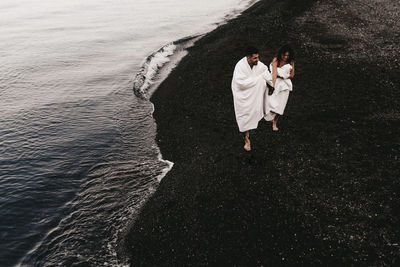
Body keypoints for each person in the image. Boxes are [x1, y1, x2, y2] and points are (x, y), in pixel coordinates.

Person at [231, 46, 273, 151]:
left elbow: (265, 72)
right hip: (242, 94)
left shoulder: (258, 65)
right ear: (248, 58)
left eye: (258, 57)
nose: (257, 60)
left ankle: (257, 117)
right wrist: (258, 80)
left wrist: (273, 84)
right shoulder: (240, 66)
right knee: (244, 115)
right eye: (255, 58)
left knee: (254, 110)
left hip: (253, 92)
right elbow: (240, 83)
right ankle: (246, 139)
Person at [264, 44, 295, 131]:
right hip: (275, 82)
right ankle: (264, 115)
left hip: (285, 85)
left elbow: (292, 75)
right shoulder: (276, 60)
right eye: (284, 55)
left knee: (281, 105)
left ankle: (274, 123)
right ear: (280, 53)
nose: (285, 57)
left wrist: (284, 76)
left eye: (287, 55)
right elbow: (274, 74)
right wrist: (272, 87)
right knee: (270, 100)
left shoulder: (291, 61)